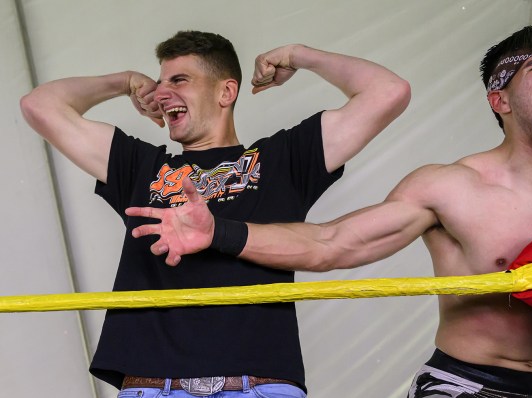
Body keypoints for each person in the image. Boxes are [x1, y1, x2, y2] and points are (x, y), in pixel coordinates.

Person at [125, 25, 532, 397]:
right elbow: (332, 244)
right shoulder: (449, 187)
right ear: (500, 100)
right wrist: (219, 232)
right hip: (459, 386)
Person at [20, 31, 411, 397]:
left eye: (179, 80)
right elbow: (39, 106)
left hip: (258, 386)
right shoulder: (139, 165)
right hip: (152, 387)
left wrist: (299, 55)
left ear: (226, 92)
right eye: (160, 82)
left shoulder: (282, 159)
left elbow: (388, 92)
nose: (162, 92)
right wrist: (124, 82)